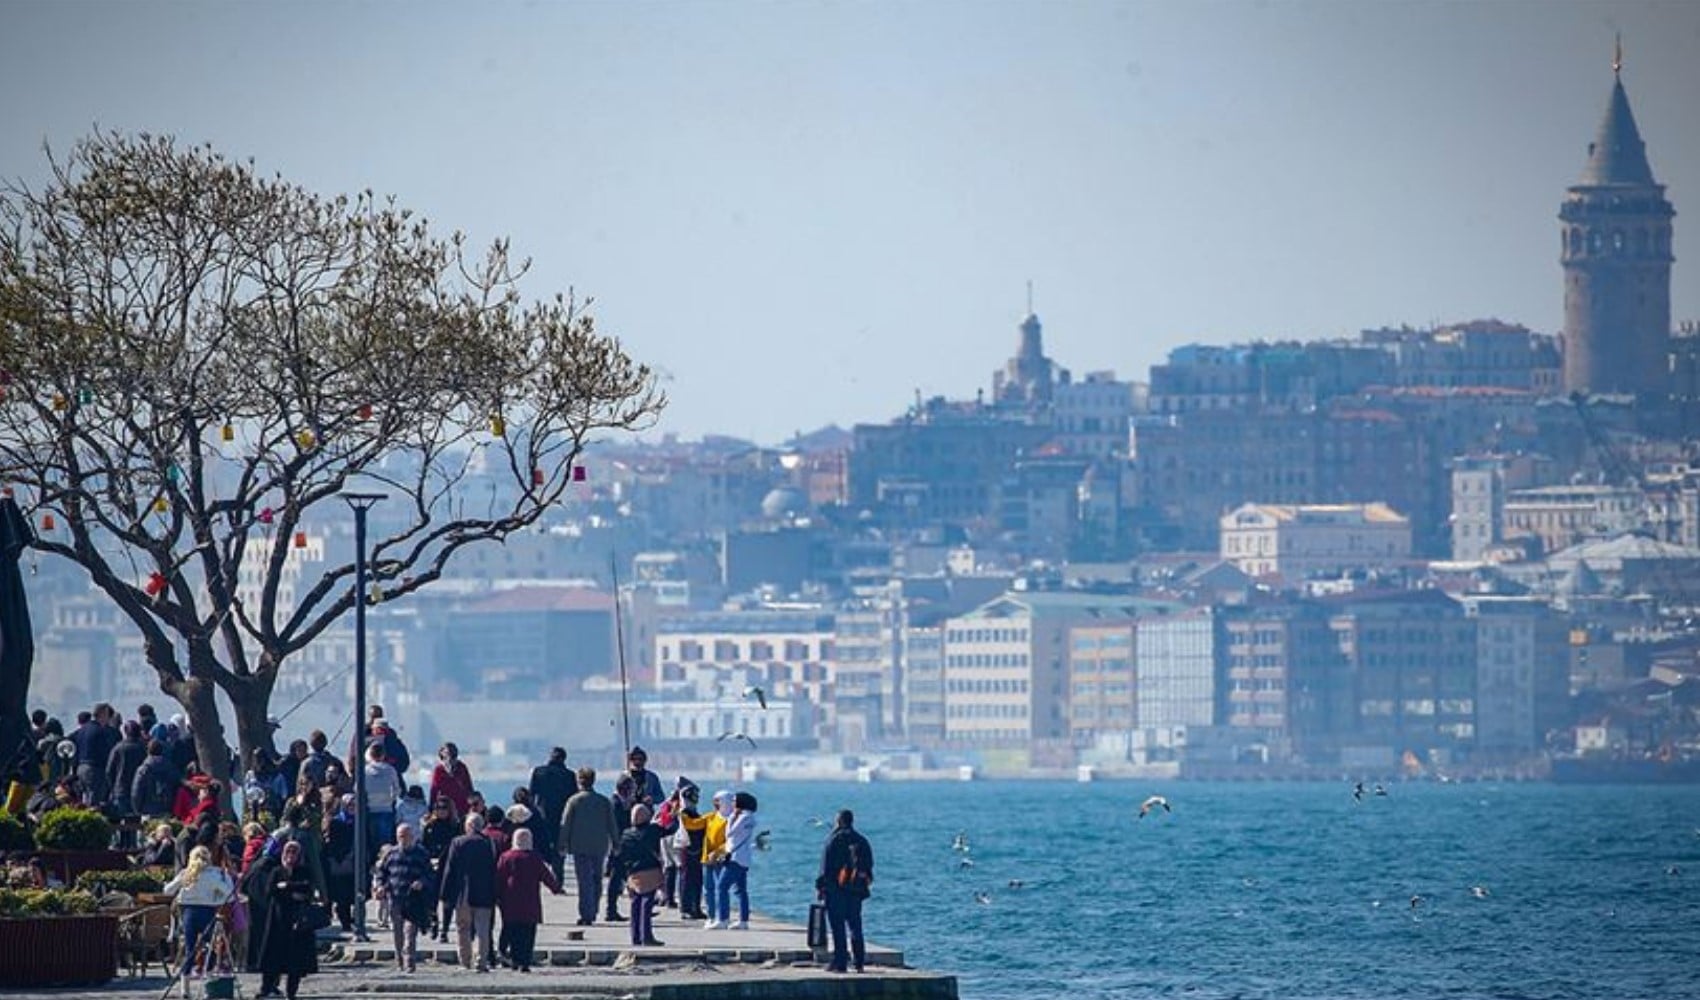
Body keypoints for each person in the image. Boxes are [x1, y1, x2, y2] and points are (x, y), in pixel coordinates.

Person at [164, 845, 237, 994]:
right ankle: (207, 987)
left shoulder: (186, 874)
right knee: (210, 949)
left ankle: (185, 989)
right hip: (207, 912)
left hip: (188, 913)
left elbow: (168, 890)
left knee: (190, 949)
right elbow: (229, 894)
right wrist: (218, 898)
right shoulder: (214, 875)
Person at [256, 840, 318, 999]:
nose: (290, 856)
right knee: (273, 956)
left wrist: (287, 886)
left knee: (295, 960)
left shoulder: (304, 871)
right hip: (278, 919)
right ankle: (267, 987)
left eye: (294, 853)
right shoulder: (277, 871)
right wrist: (290, 891)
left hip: (297, 921)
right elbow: (270, 891)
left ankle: (292, 992)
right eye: (287, 852)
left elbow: (307, 888)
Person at [816, 809, 874, 974]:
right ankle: (859, 962)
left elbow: (825, 867)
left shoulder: (833, 840)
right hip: (855, 890)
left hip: (835, 890)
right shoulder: (862, 840)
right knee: (855, 926)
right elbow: (869, 865)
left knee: (838, 927)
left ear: (839, 821)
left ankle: (840, 962)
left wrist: (820, 888)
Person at [558, 766, 618, 927]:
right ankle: (594, 909)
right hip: (599, 845)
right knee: (596, 879)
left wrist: (562, 844)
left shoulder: (574, 801)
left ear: (579, 782)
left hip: (579, 846)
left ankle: (587, 913)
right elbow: (612, 824)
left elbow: (565, 824)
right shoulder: (603, 801)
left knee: (584, 881)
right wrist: (616, 843)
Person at [439, 812, 498, 973]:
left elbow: (449, 870)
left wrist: (444, 894)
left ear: (469, 826)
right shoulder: (490, 843)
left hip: (463, 892)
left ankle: (465, 961)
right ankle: (481, 962)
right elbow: (494, 869)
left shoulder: (458, 842)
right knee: (482, 929)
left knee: (463, 928)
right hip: (485, 892)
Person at [495, 827, 560, 973]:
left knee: (514, 931)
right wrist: (555, 888)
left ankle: (515, 960)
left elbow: (499, 878)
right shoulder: (534, 858)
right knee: (528, 933)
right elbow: (546, 876)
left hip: (510, 902)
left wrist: (496, 896)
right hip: (530, 901)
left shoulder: (506, 857)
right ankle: (525, 961)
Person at [614, 801, 676, 947]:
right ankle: (646, 936)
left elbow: (621, 855)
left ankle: (635, 937)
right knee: (646, 904)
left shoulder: (626, 834)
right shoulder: (652, 830)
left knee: (635, 904)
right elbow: (670, 829)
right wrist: (673, 815)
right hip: (650, 870)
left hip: (633, 873)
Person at [376, 823, 434, 973]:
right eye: (400, 836)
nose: (403, 839)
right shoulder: (391, 854)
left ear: (412, 836)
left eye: (405, 836)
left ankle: (410, 961)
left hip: (413, 900)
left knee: (410, 931)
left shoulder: (421, 853)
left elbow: (429, 874)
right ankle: (399, 959)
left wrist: (422, 882)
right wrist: (381, 886)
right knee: (398, 931)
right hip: (395, 898)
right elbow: (382, 874)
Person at [527, 747, 573, 883]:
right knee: (560, 849)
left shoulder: (539, 772)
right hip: (562, 816)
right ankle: (558, 879)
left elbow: (531, 794)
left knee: (541, 846)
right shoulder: (569, 775)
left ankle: (542, 875)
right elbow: (573, 798)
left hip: (543, 815)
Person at [714, 791, 757, 931]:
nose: (732, 803)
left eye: (734, 801)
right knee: (741, 890)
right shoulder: (743, 816)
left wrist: (733, 815)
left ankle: (723, 919)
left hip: (736, 858)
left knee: (722, 887)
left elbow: (730, 833)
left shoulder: (746, 817)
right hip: (738, 857)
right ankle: (743, 920)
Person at [690, 789, 733, 929]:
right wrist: (682, 812)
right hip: (707, 859)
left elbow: (731, 841)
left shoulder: (731, 820)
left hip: (721, 858)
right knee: (708, 889)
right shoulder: (711, 817)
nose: (715, 804)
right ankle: (711, 915)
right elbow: (693, 824)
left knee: (722, 888)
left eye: (718, 801)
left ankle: (723, 917)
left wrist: (718, 852)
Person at [420, 797, 460, 941]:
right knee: (432, 899)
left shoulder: (455, 826)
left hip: (449, 865)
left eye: (444, 808)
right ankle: (434, 924)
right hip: (433, 864)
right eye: (438, 808)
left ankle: (445, 930)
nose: (441, 811)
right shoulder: (429, 827)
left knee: (448, 900)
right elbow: (424, 846)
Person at [239, 840, 280, 973]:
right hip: (269, 904)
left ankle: (252, 963)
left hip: (254, 904)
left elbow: (243, 886)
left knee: (254, 934)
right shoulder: (276, 867)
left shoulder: (255, 865)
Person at [322, 794, 357, 932]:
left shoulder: (359, 821)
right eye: (349, 805)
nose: (352, 808)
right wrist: (339, 858)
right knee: (342, 895)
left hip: (354, 861)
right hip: (339, 862)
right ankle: (345, 921)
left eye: (354, 805)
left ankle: (351, 919)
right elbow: (331, 843)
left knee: (352, 894)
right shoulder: (335, 822)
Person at [673, 783, 708, 919]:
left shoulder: (694, 812)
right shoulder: (684, 813)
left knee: (697, 879)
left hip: (697, 849)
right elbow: (690, 827)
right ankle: (686, 908)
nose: (696, 798)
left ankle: (696, 907)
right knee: (686, 879)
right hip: (686, 849)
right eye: (694, 795)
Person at [604, 774, 636, 922]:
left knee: (622, 877)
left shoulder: (623, 802)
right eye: (631, 789)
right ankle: (611, 910)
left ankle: (632, 906)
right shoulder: (615, 803)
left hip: (623, 845)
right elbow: (618, 824)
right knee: (617, 878)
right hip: (618, 845)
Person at [362, 742, 403, 857]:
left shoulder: (365, 771)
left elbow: (357, 789)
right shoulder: (390, 770)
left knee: (371, 842)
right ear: (383, 755)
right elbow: (397, 789)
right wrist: (391, 800)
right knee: (386, 843)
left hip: (370, 810)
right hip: (386, 810)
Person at [105, 721, 148, 816]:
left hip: (120, 789)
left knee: (120, 819)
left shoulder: (118, 748)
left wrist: (113, 787)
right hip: (139, 789)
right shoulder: (143, 748)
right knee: (137, 820)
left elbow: (109, 771)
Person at [131, 740, 181, 819]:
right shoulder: (170, 767)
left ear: (148, 751)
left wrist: (137, 808)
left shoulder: (144, 769)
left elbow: (137, 789)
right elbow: (177, 786)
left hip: (147, 809)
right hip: (166, 808)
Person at [429, 743, 474, 817]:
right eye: (447, 755)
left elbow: (469, 787)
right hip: (445, 808)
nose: (449, 759)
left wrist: (472, 804)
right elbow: (434, 790)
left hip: (461, 807)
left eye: (452, 755)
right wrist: (431, 808)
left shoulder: (461, 768)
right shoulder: (439, 770)